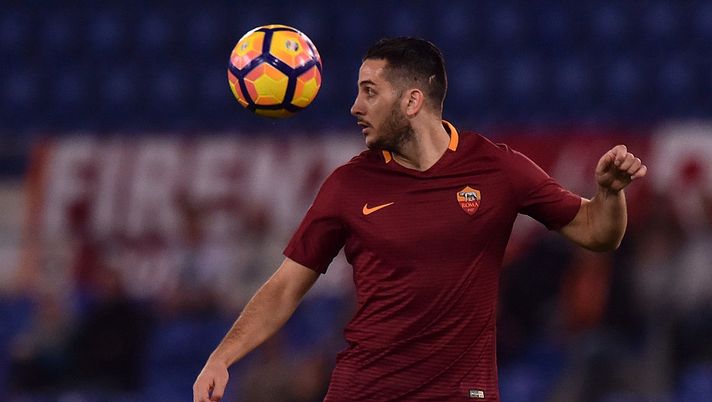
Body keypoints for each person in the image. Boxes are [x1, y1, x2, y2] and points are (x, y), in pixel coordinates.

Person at [193, 37, 647, 401]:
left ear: (412, 101)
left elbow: (597, 233)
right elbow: (286, 286)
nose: (355, 106)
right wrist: (222, 356)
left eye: (369, 91)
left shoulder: (497, 168)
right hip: (364, 392)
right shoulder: (348, 185)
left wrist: (609, 194)